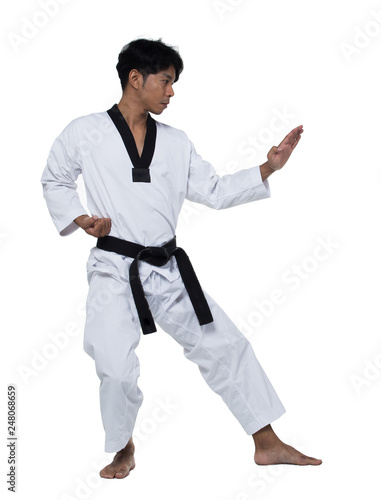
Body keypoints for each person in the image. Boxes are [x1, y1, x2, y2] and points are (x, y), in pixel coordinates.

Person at [41, 38, 322, 479]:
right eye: (166, 81)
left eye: (173, 83)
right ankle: (123, 447)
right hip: (114, 270)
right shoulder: (84, 131)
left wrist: (268, 168)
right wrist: (80, 218)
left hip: (170, 270)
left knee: (225, 345)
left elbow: (213, 190)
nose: (171, 92)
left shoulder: (175, 141)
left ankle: (266, 443)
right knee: (114, 367)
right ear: (136, 79)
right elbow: (55, 180)